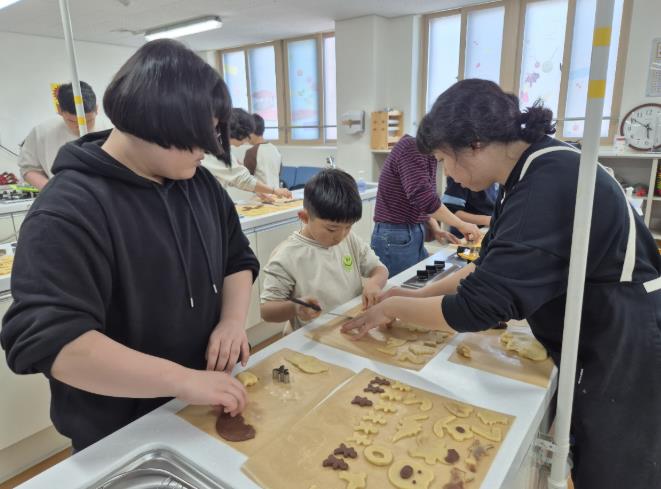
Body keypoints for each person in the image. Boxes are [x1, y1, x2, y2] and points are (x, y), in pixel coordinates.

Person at [343, 79, 661, 489]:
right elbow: (486, 267)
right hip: (602, 326)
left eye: (445, 159)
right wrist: (417, 293)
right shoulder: (530, 170)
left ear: (475, 143)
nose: (448, 174)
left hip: (625, 336)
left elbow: (479, 307)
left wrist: (393, 308)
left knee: (613, 468)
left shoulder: (548, 181)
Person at [1, 40, 260, 452]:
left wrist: (231, 321)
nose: (211, 149)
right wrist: (182, 380)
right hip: (118, 435)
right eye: (200, 136)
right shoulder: (67, 209)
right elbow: (55, 343)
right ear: (155, 122)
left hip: (202, 408)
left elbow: (237, 258)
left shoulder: (199, 183)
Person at [260, 168, 388, 334]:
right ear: (304, 217)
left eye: (348, 227)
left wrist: (373, 284)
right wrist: (295, 307)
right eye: (332, 229)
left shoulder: (350, 240)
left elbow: (380, 269)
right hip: (312, 337)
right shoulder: (286, 256)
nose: (340, 236)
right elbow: (267, 310)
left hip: (349, 329)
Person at [371, 134, 481, 277]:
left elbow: (423, 199)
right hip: (396, 235)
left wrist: (435, 228)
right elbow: (424, 198)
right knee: (400, 286)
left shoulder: (427, 155)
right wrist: (461, 224)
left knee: (418, 281)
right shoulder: (412, 148)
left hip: (411, 231)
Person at [17, 81, 100, 189]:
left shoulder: (111, 129)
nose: (80, 126)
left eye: (88, 121)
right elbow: (28, 169)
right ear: (59, 110)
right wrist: (53, 190)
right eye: (72, 121)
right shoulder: (42, 132)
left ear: (97, 109)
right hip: (61, 195)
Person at [203, 108, 291, 198]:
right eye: (247, 136)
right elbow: (242, 178)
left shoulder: (220, 145)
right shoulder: (274, 149)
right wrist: (272, 190)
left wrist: (261, 189)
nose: (247, 140)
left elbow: (238, 177)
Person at [244, 113, 282, 190]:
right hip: (276, 193)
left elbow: (245, 178)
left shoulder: (251, 152)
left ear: (251, 132)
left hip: (260, 195)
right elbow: (278, 172)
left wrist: (239, 167)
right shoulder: (275, 149)